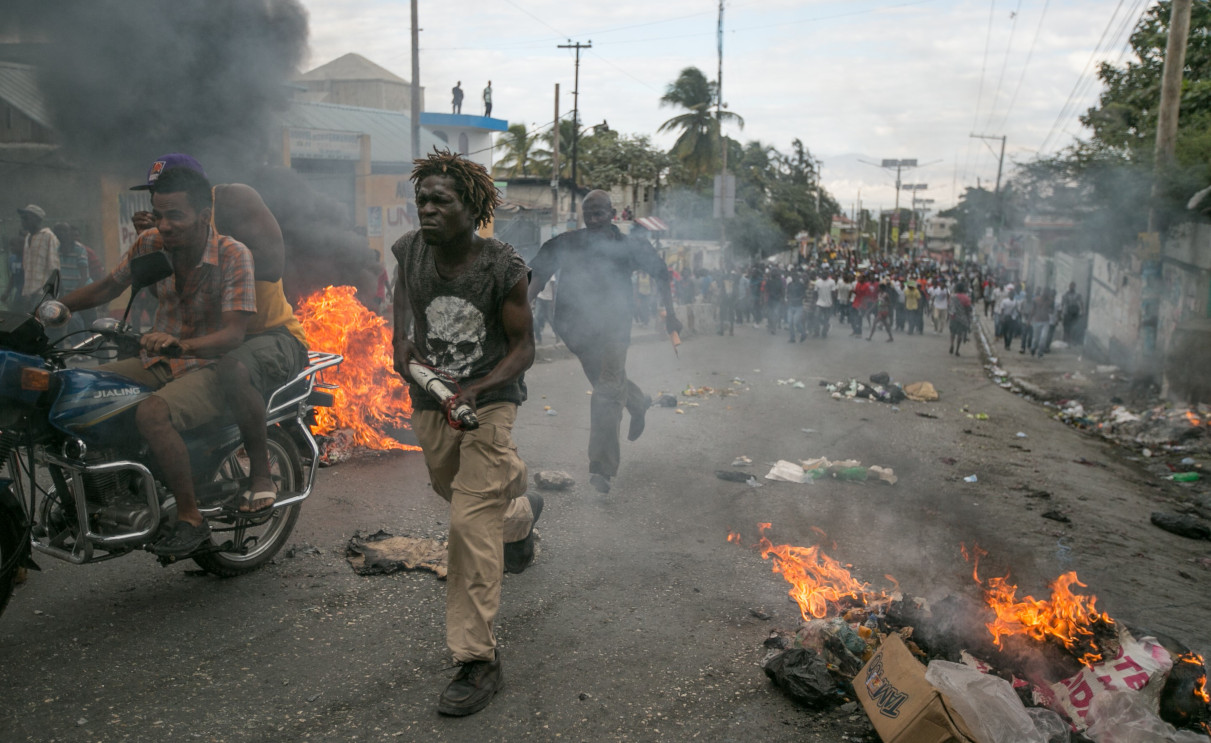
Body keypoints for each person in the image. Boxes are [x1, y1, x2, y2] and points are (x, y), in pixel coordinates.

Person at [391, 150, 541, 717]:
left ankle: (477, 659)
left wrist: (476, 392)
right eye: (422, 199)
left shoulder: (504, 266)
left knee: (468, 520)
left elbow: (525, 348)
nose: (426, 209)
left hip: (489, 401)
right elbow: (402, 304)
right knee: (449, 485)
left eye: (440, 201)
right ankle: (521, 509)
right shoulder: (409, 251)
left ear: (470, 207)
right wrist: (401, 343)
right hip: (432, 397)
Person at [61, 167, 256, 556]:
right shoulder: (149, 244)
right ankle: (104, 487)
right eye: (159, 215)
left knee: (152, 414)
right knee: (76, 388)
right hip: (156, 361)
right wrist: (52, 307)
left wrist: (180, 346)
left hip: (212, 365)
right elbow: (107, 286)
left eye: (175, 216)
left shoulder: (234, 254)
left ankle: (191, 518)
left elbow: (235, 334)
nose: (164, 226)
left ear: (204, 216)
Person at [129, 153, 311, 515]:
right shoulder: (170, 230)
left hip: (268, 334)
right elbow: (163, 294)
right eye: (156, 196)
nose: (162, 201)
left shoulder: (233, 198)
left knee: (233, 368)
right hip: (208, 339)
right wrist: (165, 247)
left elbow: (273, 264)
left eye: (171, 192)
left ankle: (262, 476)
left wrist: (197, 240)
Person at [528, 189, 681, 495]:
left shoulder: (629, 246)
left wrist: (670, 313)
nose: (595, 220)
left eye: (600, 213)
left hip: (614, 328)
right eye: (589, 215)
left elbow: (661, 273)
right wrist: (522, 312)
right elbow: (535, 276)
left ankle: (602, 468)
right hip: (576, 333)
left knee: (606, 393)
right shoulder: (568, 243)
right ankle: (639, 403)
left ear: (613, 213)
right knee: (606, 384)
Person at [17, 204, 59, 310]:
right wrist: (26, 293)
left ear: (37, 219)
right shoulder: (28, 237)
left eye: (26, 217)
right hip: (29, 294)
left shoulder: (48, 236)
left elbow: (54, 268)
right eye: (22, 218)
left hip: (43, 293)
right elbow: (27, 267)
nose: (23, 220)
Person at [948, 282, 973, 356]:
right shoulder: (966, 297)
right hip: (962, 318)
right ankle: (957, 350)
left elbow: (950, 306)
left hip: (953, 317)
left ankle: (952, 344)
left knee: (952, 333)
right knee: (960, 334)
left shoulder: (952, 297)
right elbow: (968, 309)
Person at [533, 274, 557, 344]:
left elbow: (554, 288)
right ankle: (538, 338)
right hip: (540, 298)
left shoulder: (551, 275)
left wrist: (553, 300)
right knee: (536, 317)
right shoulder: (540, 274)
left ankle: (558, 335)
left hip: (549, 299)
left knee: (550, 318)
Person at [785, 272, 806, 342]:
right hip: (791, 306)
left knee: (796, 322)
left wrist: (798, 299)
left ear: (798, 277)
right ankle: (792, 338)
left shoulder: (801, 285)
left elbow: (803, 295)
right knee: (790, 322)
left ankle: (803, 333)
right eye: (793, 276)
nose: (794, 277)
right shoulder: (789, 285)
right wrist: (789, 298)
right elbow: (787, 293)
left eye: (795, 276)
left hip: (799, 306)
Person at [814, 271, 836, 338]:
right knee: (816, 317)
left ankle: (824, 332)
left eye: (826, 274)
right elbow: (815, 292)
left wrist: (833, 303)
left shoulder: (832, 282)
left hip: (828, 303)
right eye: (823, 273)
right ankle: (816, 332)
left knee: (826, 318)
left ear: (828, 275)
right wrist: (815, 301)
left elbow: (833, 293)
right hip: (819, 303)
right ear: (821, 274)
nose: (824, 275)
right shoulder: (817, 282)